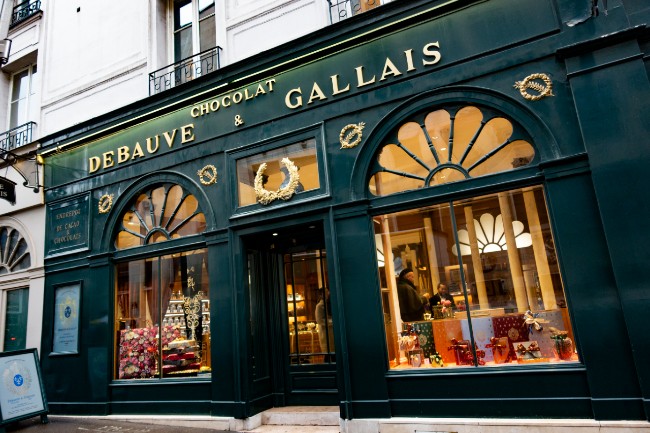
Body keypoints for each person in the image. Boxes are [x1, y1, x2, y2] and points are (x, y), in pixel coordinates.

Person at [315, 288, 335, 361]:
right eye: (326, 292)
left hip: (332, 333)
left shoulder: (330, 304)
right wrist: (333, 322)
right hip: (326, 334)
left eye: (328, 291)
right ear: (321, 295)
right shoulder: (319, 306)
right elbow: (320, 320)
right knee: (329, 355)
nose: (328, 293)